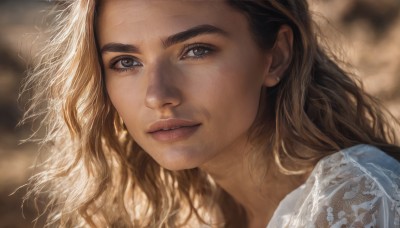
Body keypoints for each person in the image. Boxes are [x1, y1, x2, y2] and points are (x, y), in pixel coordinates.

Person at [23, 0, 400, 227]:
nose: (158, 96)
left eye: (196, 51)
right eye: (125, 62)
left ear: (277, 56)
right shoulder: (203, 215)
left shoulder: (358, 202)